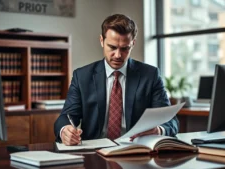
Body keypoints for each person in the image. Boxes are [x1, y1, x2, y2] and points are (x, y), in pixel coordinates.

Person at [54, 14, 179, 145]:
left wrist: (158, 130)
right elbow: (65, 117)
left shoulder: (150, 75)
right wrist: (65, 131)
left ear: (133, 44)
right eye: (112, 47)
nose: (118, 55)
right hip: (94, 152)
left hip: (135, 150)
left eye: (125, 48)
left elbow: (171, 121)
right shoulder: (82, 76)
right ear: (102, 41)